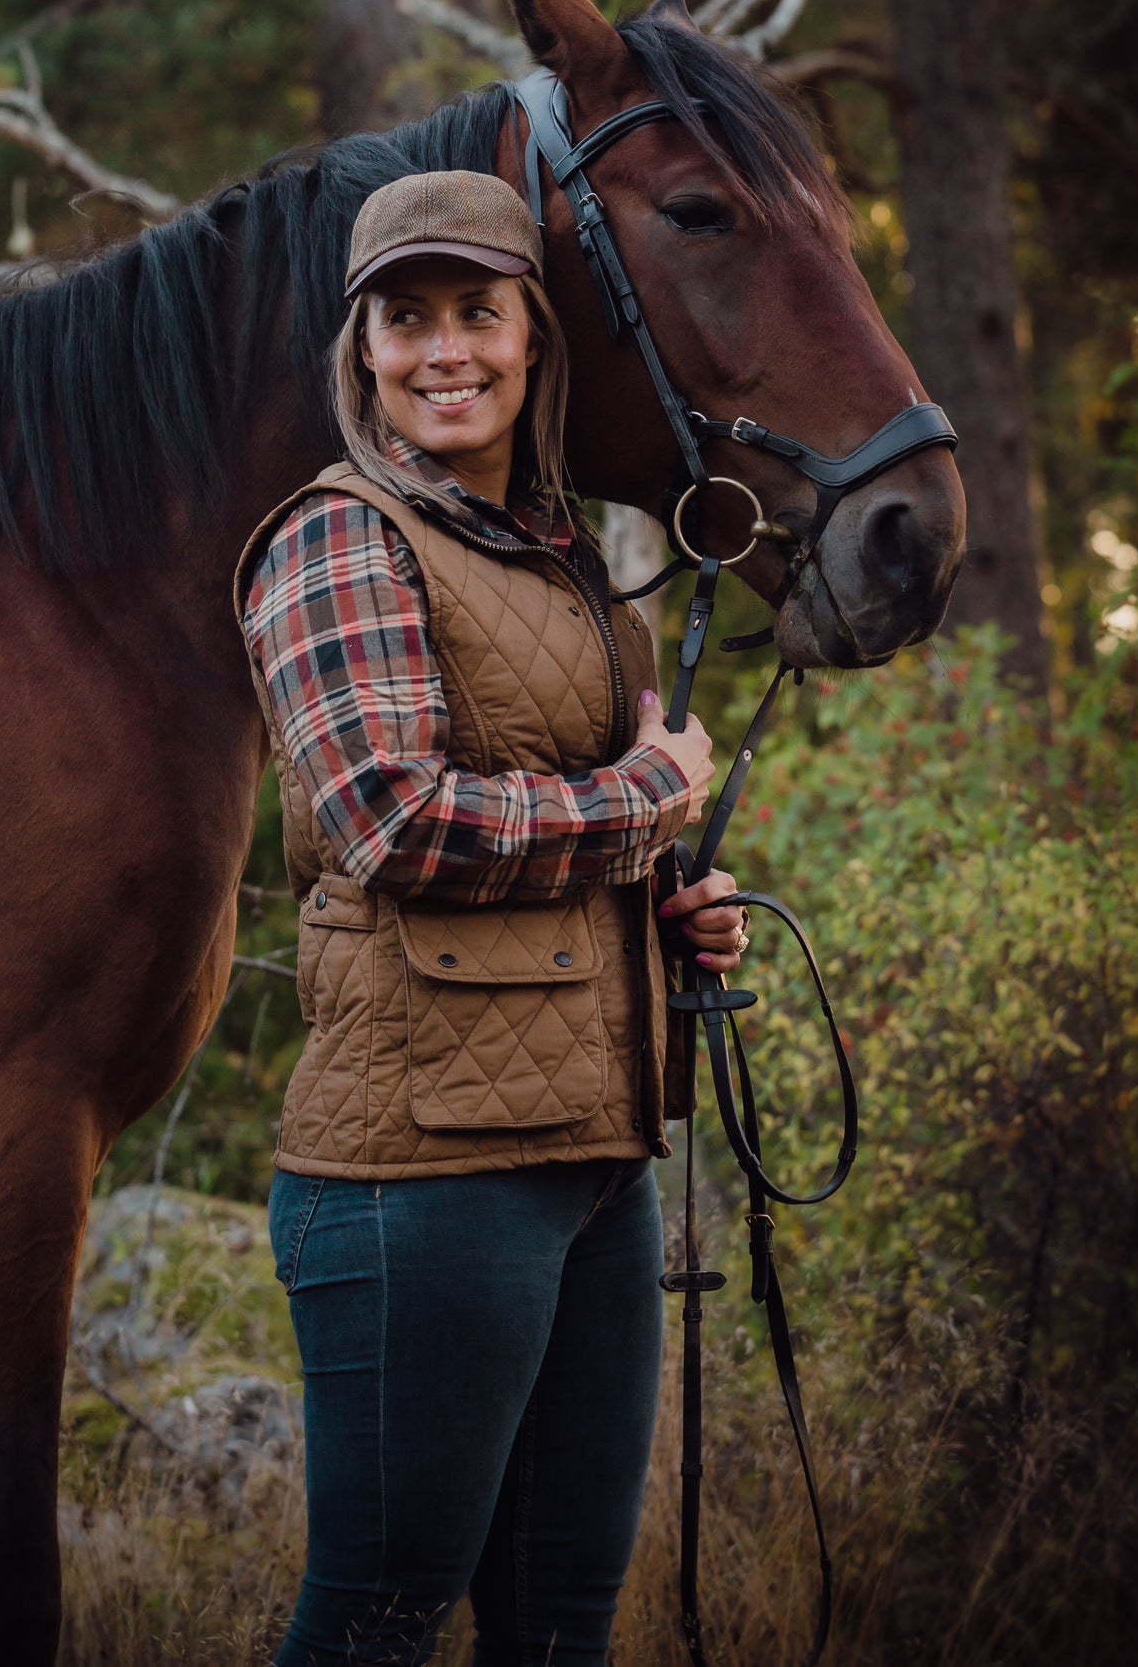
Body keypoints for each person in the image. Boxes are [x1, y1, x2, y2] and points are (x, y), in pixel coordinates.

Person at [236, 167, 749, 1667]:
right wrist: (644, 805)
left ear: (535, 337)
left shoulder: (575, 566)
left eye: (478, 311)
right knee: (382, 1617)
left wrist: (670, 907)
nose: (443, 349)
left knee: (559, 1621)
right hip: (419, 1171)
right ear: (364, 352)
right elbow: (393, 819)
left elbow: (570, 834)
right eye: (405, 319)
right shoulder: (338, 540)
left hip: (594, 1162)